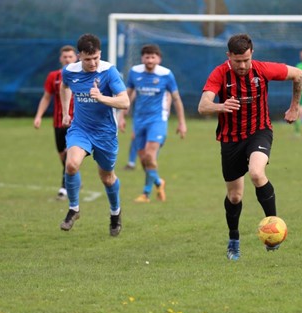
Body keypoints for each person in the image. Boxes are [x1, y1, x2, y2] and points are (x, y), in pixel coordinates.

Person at [197, 33, 302, 261]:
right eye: (238, 61)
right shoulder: (219, 73)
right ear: (229, 57)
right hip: (231, 138)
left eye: (246, 60)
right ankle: (234, 239)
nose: (243, 65)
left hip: (259, 132)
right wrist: (221, 106)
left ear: (251, 54)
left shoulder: (263, 69)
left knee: (257, 173)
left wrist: (294, 107)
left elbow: (299, 74)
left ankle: (274, 228)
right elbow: (203, 106)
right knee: (235, 196)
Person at [59, 33, 130, 236]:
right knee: (71, 164)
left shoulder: (109, 72)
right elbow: (64, 87)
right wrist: (66, 112)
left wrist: (101, 97)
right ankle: (74, 209)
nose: (92, 63)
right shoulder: (69, 71)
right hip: (80, 128)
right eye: (88, 59)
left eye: (96, 58)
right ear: (79, 56)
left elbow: (125, 102)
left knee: (107, 177)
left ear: (100, 54)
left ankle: (115, 213)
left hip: (105, 133)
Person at [119, 44, 187, 203]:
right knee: (144, 160)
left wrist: (182, 122)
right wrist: (121, 117)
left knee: (150, 155)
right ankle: (158, 182)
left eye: (153, 57)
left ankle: (146, 193)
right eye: (147, 57)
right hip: (139, 119)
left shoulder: (166, 74)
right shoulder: (135, 72)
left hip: (158, 119)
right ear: (142, 58)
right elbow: (127, 95)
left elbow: (176, 98)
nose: (150, 60)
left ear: (159, 59)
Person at [33, 45, 77, 200]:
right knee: (62, 155)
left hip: (77, 124)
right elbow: (46, 97)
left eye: (70, 56)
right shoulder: (54, 76)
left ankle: (65, 187)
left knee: (69, 155)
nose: (67, 59)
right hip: (58, 123)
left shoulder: (82, 75)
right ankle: (74, 176)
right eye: (65, 57)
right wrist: (38, 116)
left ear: (76, 57)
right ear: (60, 59)